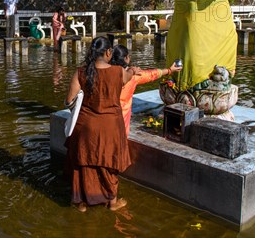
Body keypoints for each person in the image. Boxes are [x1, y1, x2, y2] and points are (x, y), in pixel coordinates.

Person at [64, 36, 138, 213]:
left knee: (83, 164)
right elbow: (128, 76)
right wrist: (133, 70)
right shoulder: (118, 71)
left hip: (85, 126)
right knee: (109, 163)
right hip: (110, 126)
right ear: (108, 52)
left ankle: (81, 204)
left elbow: (68, 101)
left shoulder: (81, 72)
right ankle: (112, 203)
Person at [110, 45, 183, 135]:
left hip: (105, 118)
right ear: (126, 58)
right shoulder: (134, 76)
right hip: (122, 120)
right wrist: (170, 70)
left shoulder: (103, 74)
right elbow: (152, 74)